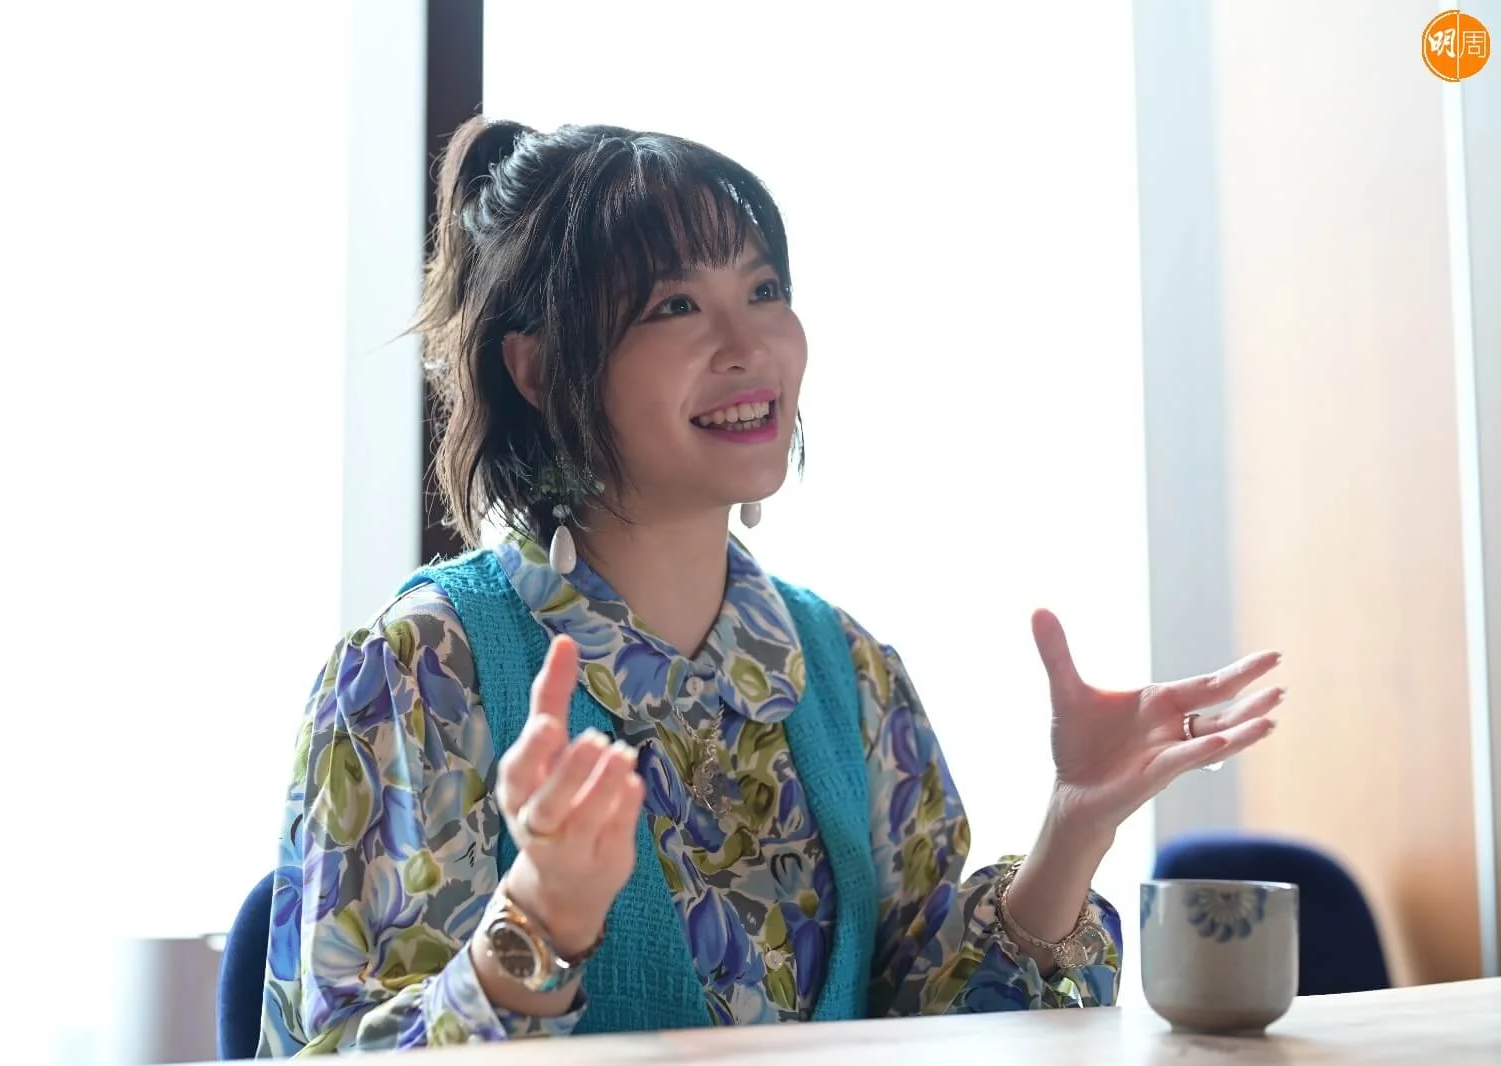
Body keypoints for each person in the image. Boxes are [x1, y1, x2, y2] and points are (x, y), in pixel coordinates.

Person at [256, 117, 1283, 1055]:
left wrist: (1074, 827)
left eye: (763, 291)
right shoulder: (417, 672)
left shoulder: (848, 671)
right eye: (674, 307)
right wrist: (538, 916)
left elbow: (931, 1029)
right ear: (535, 369)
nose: (749, 348)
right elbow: (332, 1052)